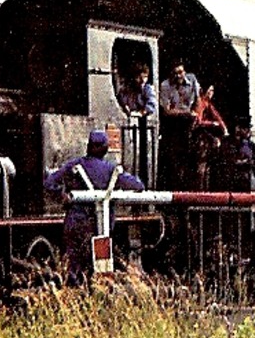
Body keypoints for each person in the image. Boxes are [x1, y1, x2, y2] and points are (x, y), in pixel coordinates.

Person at [45, 130, 144, 283]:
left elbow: (50, 182)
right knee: (98, 267)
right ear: (105, 149)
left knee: (74, 266)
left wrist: (62, 194)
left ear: (88, 146)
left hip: (75, 224)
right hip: (99, 227)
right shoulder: (110, 169)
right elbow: (138, 186)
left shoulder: (73, 165)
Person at [158, 61, 201, 187]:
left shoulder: (192, 80)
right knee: (174, 158)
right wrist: (186, 113)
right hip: (173, 124)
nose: (178, 76)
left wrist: (196, 115)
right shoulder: (165, 85)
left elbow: (198, 99)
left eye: (181, 72)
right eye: (175, 73)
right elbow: (167, 111)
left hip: (190, 121)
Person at [192, 84, 228, 188]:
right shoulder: (200, 103)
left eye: (213, 90)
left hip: (205, 135)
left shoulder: (208, 104)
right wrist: (212, 123)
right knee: (201, 164)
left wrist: (224, 128)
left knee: (207, 165)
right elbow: (198, 121)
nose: (211, 93)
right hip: (199, 135)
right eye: (210, 90)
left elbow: (217, 115)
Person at [226, 122, 255, 192]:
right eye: (245, 129)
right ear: (238, 129)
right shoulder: (228, 143)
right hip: (231, 178)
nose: (248, 131)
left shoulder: (250, 145)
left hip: (244, 178)